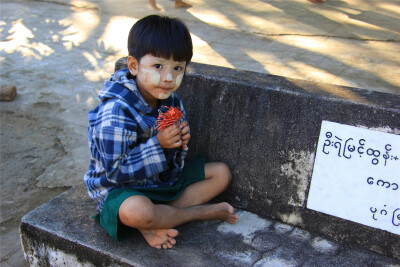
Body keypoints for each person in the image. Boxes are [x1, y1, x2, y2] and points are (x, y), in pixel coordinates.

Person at [83, 15, 238, 250]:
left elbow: (175, 158)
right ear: (134, 66)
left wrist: (180, 141)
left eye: (178, 68)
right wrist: (159, 144)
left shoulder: (172, 100)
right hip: (122, 190)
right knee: (138, 212)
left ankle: (158, 219)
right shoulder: (115, 110)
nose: (168, 78)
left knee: (221, 173)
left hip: (160, 182)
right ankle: (194, 213)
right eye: (158, 66)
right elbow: (115, 172)